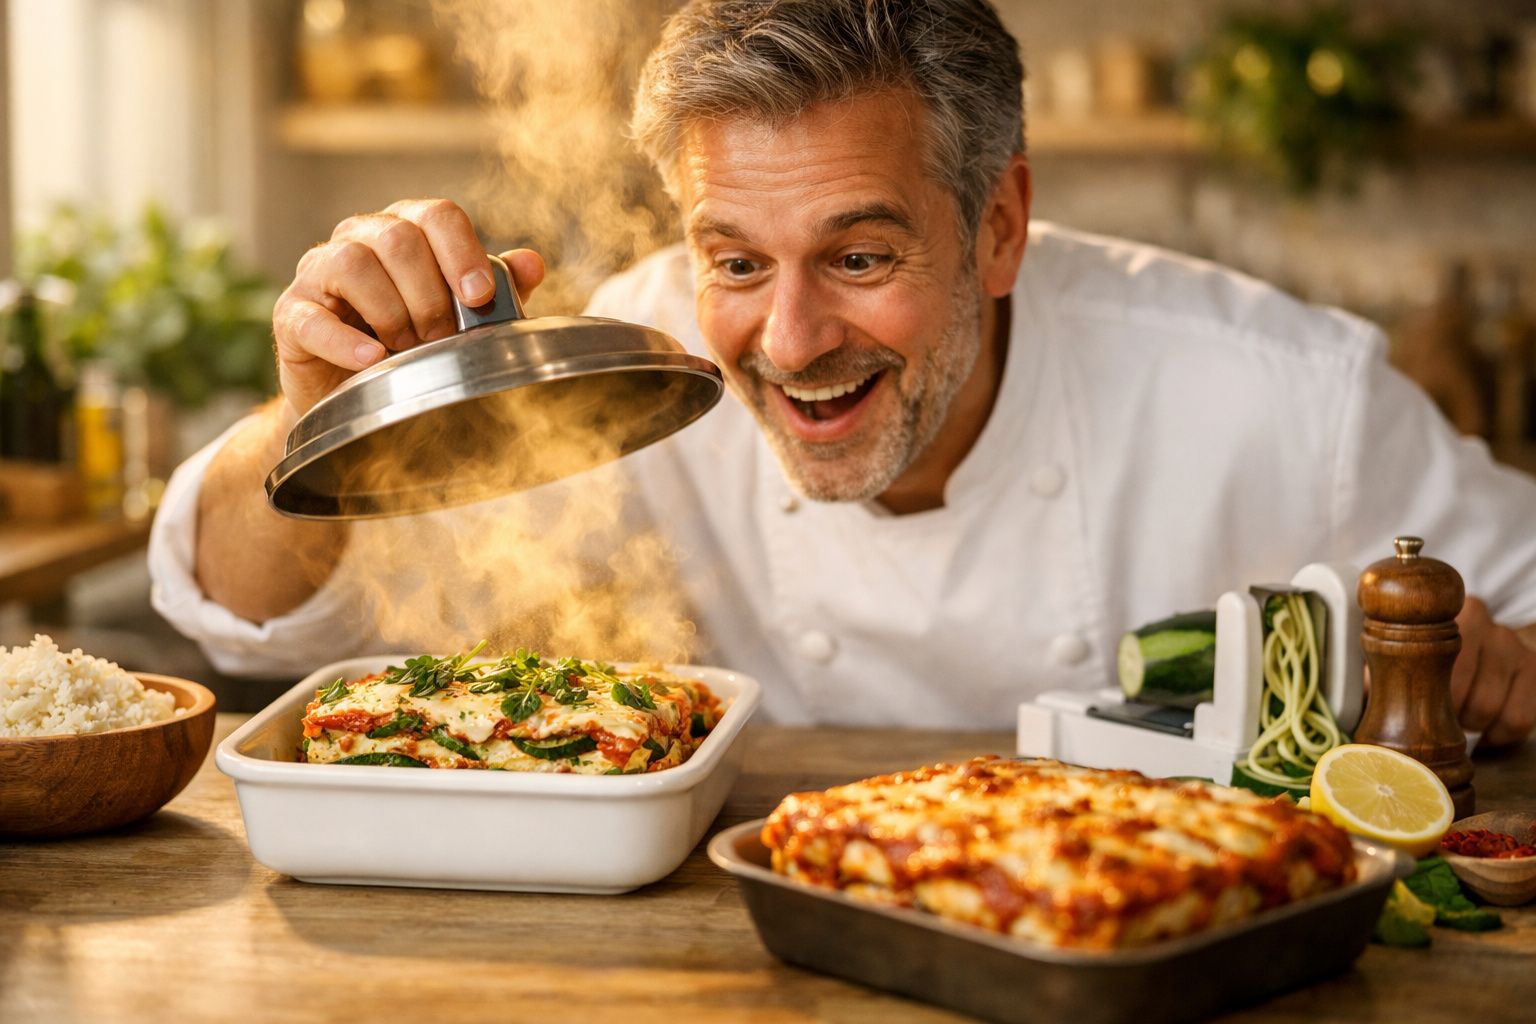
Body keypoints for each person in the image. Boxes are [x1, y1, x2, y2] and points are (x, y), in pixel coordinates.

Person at [150, 0, 1536, 744]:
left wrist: (1494, 673)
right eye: (736, 260)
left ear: (999, 226)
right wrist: (313, 411)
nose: (792, 342)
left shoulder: (1279, 389)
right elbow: (258, 623)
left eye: (861, 258)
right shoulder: (632, 372)